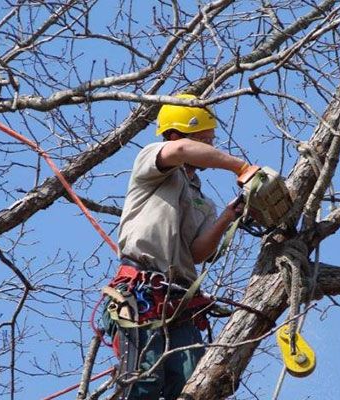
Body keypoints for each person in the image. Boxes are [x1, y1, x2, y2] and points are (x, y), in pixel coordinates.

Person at [110, 93, 256, 400]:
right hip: (142, 292)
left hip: (180, 301)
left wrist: (230, 216)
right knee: (144, 382)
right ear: (177, 135)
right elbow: (179, 151)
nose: (210, 149)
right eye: (204, 142)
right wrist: (240, 167)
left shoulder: (203, 201)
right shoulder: (152, 164)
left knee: (193, 384)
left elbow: (199, 252)